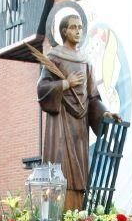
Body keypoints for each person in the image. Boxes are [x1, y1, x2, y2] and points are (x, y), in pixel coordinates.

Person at [37, 13, 120, 210]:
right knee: (61, 170)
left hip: (79, 128)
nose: (78, 31)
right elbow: (42, 89)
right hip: (60, 124)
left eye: (80, 27)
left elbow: (92, 97)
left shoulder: (86, 61)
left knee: (80, 174)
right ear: (64, 31)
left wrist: (105, 114)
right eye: (73, 27)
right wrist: (66, 83)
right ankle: (60, 217)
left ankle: (75, 219)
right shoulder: (54, 57)